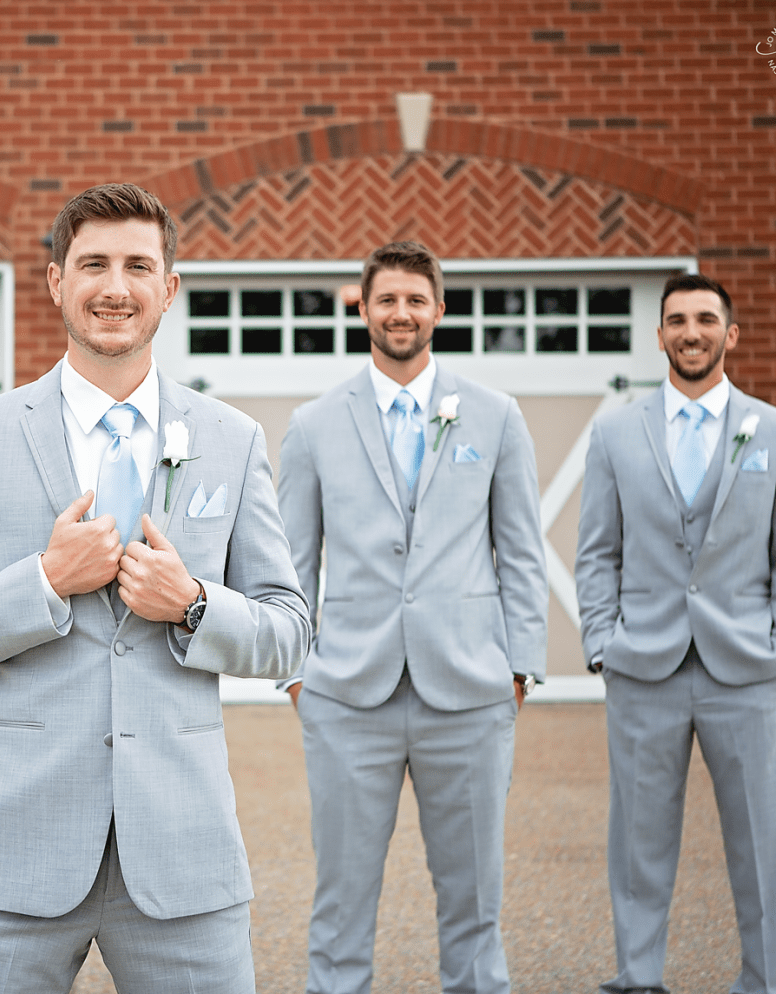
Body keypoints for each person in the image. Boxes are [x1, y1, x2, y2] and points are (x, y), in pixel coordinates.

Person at [0, 182, 309, 994]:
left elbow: (290, 629)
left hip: (184, 857)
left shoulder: (231, 439)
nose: (114, 287)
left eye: (136, 266)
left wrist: (192, 603)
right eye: (92, 265)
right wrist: (45, 581)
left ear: (168, 288)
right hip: (18, 848)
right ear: (55, 281)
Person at [277, 240, 547, 994]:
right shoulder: (314, 423)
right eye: (387, 299)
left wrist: (520, 668)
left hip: (469, 693)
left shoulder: (495, 416)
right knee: (341, 900)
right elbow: (291, 563)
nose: (402, 313)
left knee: (473, 901)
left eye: (416, 300)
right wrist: (298, 677)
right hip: (346, 698)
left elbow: (521, 550)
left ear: (440, 310)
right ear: (362, 307)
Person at [576, 273, 776, 994]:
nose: (691, 332)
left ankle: (771, 981)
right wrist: (601, 643)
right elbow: (596, 551)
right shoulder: (616, 431)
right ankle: (639, 977)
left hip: (745, 669)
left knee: (761, 846)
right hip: (641, 667)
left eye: (706, 319)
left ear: (729, 334)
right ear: (658, 336)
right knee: (638, 846)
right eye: (677, 319)